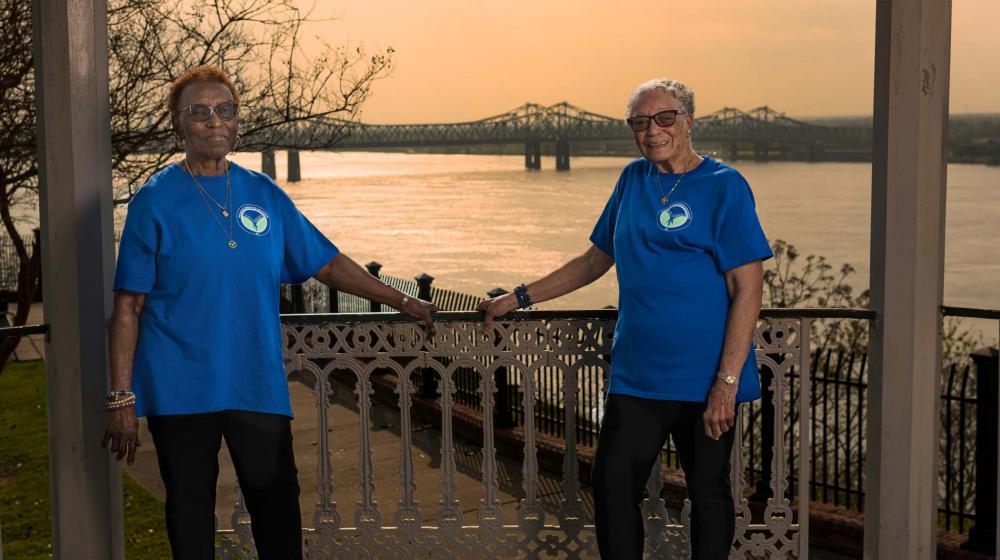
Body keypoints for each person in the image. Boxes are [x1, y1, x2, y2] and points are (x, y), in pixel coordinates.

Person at [101, 65, 437, 560]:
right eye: (199, 112)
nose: (215, 121)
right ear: (179, 124)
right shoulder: (154, 201)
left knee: (277, 508)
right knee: (191, 510)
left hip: (255, 380)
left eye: (226, 110)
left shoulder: (264, 194)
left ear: (237, 121)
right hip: (179, 384)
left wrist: (402, 299)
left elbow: (328, 262)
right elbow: (128, 305)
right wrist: (121, 399)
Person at [478, 78, 772, 559]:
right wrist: (520, 297)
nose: (652, 130)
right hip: (638, 376)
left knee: (709, 491)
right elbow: (595, 261)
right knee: (613, 483)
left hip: (705, 378)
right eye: (639, 122)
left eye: (664, 118)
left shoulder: (725, 187)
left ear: (688, 121)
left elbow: (748, 288)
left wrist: (727, 381)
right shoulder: (632, 180)